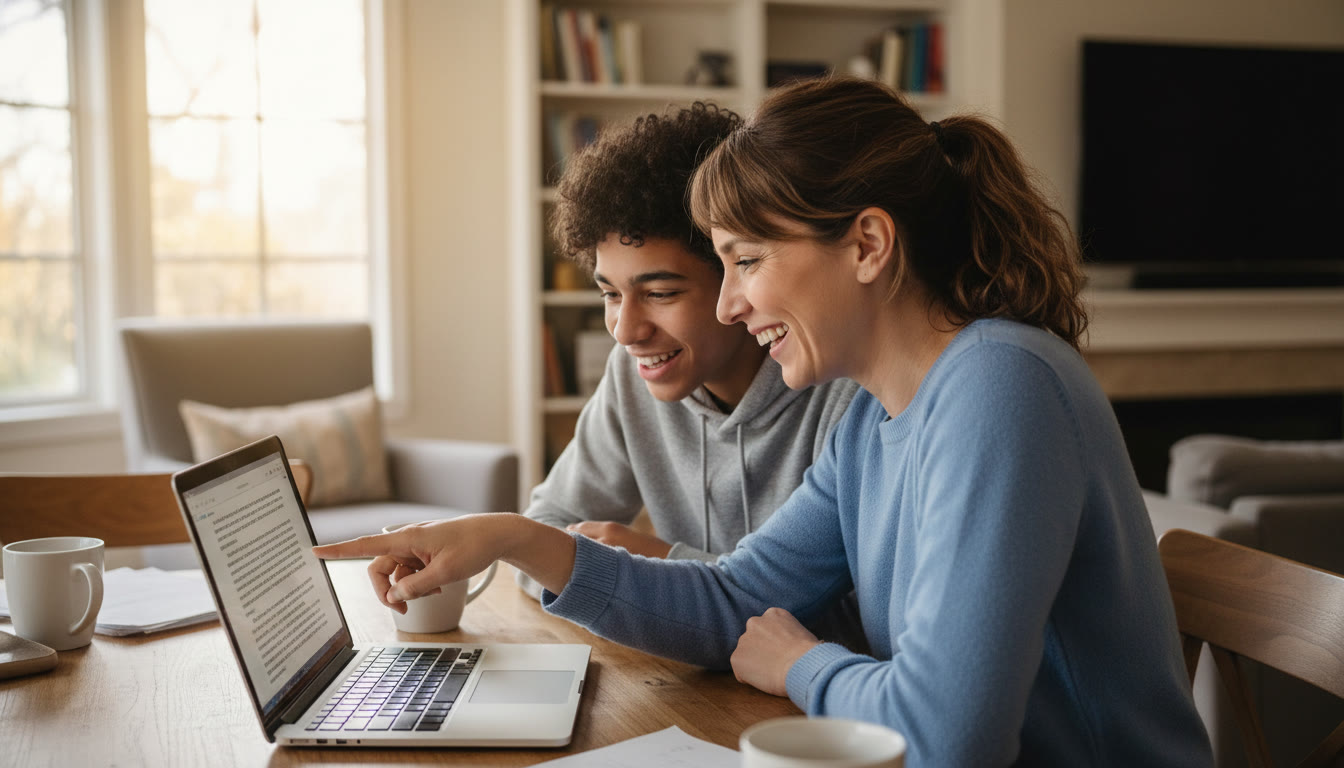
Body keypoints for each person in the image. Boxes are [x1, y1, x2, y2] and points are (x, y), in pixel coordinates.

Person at [315, 77, 1213, 766]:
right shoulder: (875, 416)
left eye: (745, 260)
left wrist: (800, 665)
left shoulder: (1000, 385)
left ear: (867, 245)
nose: (733, 302)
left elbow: (948, 739)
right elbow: (739, 598)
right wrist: (514, 536)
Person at [521, 102, 858, 597]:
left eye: (660, 294)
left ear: (739, 273)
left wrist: (657, 568)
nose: (626, 331)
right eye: (611, 294)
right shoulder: (632, 372)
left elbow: (854, 611)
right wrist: (621, 572)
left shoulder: (840, 385)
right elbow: (544, 529)